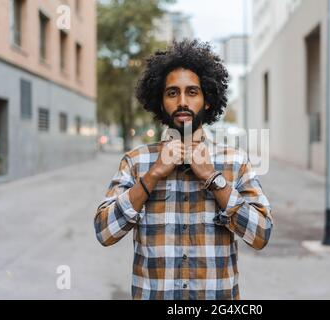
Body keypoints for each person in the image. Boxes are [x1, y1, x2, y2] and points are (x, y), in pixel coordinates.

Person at [94, 40, 273, 300]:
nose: (182, 101)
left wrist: (214, 179)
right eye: (172, 93)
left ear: (207, 101)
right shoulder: (136, 162)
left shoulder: (234, 162)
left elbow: (261, 235)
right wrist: (153, 175)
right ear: (160, 102)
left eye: (192, 92)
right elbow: (104, 232)